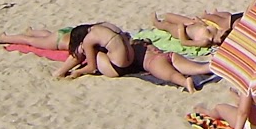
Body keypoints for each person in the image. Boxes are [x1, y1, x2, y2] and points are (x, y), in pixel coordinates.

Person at [53, 23, 209, 91]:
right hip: (135, 57)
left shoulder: (88, 40)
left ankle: (60, 72)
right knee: (172, 61)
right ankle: (206, 67)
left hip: (118, 68)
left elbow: (92, 67)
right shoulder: (107, 26)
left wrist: (79, 72)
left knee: (87, 52)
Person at [151, 9, 239, 48]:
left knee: (165, 25)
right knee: (168, 16)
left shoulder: (205, 41)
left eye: (223, 32)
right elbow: (204, 26)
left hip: (183, 31)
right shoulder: (215, 31)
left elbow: (185, 42)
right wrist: (199, 22)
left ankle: (156, 23)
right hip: (191, 24)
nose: (223, 30)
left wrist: (181, 30)